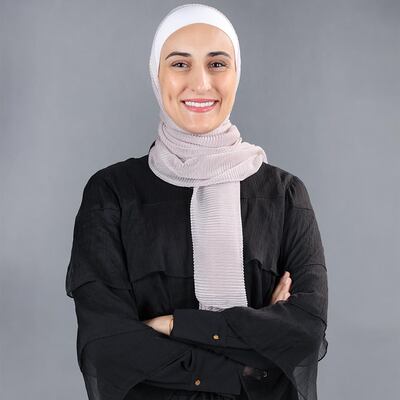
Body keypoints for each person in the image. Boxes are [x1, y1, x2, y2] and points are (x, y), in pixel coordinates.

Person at [65, 3, 328, 400]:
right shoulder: (112, 194)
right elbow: (108, 345)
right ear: (156, 74)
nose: (201, 83)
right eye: (180, 64)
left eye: (217, 64)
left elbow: (304, 333)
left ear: (237, 73)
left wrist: (174, 325)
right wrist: (250, 362)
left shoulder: (285, 196)